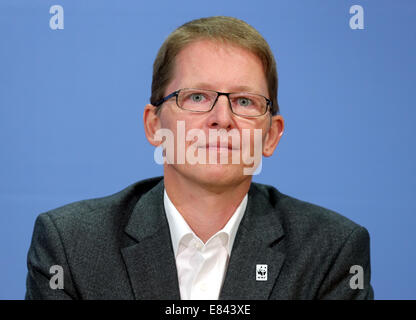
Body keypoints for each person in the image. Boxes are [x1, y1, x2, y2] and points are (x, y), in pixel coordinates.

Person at [25, 16, 373, 300]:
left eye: (244, 102)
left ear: (270, 135)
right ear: (154, 125)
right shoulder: (71, 246)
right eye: (196, 97)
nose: (222, 118)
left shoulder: (331, 251)